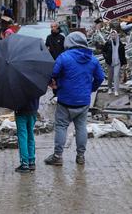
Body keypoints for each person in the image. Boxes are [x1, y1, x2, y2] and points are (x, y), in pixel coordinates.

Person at [44, 32, 104, 166]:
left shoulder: (64, 57)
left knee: (61, 127)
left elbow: (52, 73)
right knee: (81, 127)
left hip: (65, 99)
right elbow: (100, 77)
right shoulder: (93, 59)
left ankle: (58, 156)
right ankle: (81, 156)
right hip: (83, 101)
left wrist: (53, 83)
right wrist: (91, 88)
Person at [14, 97, 40, 173]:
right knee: (30, 135)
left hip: (21, 111)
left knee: (22, 137)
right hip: (33, 110)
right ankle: (31, 161)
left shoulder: (16, 85)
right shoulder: (36, 84)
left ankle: (24, 163)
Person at [102, 30, 126, 96]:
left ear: (116, 35)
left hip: (117, 62)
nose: (113, 36)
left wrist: (124, 63)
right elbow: (103, 51)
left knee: (116, 76)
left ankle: (116, 90)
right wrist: (106, 57)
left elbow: (123, 54)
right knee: (110, 76)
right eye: (112, 35)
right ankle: (109, 88)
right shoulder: (108, 43)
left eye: (114, 35)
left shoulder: (120, 44)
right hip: (110, 62)